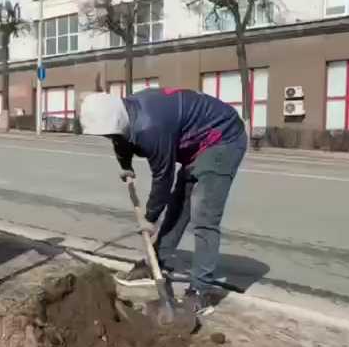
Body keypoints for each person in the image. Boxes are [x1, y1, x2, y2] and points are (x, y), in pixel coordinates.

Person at [79, 88, 248, 315]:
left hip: (222, 139)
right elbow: (119, 139)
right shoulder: (125, 112)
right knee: (179, 206)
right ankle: (157, 262)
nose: (108, 137)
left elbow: (163, 177)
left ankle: (200, 292)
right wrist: (126, 167)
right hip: (196, 144)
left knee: (204, 215)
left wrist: (150, 218)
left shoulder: (150, 127)